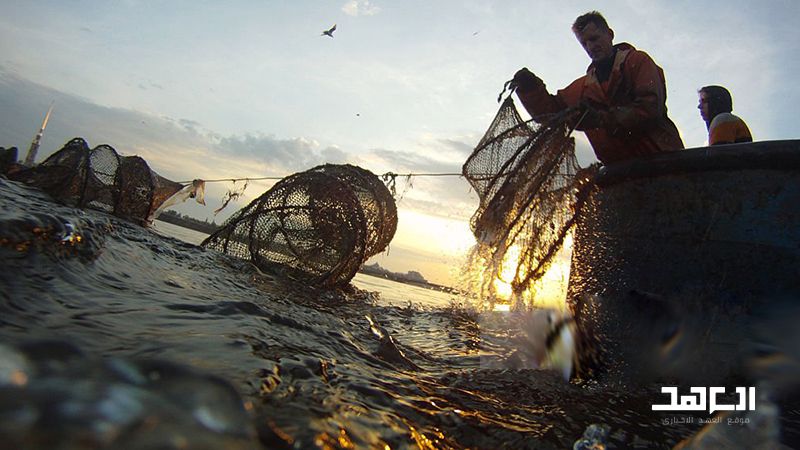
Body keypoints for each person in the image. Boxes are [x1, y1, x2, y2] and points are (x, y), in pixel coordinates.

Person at [510, 11, 684, 164]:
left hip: (663, 164)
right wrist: (530, 89)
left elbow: (649, 108)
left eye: (594, 39)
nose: (590, 46)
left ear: (609, 34)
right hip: (621, 176)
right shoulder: (583, 88)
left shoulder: (637, 61)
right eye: (584, 43)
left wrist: (601, 119)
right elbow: (552, 112)